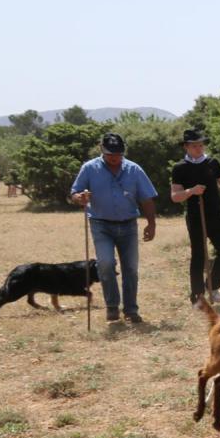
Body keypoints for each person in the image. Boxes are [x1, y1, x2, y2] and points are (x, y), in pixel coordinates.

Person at [70, 132, 159, 323]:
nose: (115, 158)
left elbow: (147, 198)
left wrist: (151, 223)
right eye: (111, 154)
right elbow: (75, 193)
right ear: (102, 150)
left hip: (128, 225)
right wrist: (80, 198)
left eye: (118, 154)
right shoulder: (89, 168)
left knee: (131, 269)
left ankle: (131, 310)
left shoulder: (134, 170)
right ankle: (112, 307)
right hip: (101, 224)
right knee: (106, 263)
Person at [170, 128, 220, 307]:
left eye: (201, 145)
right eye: (195, 146)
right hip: (195, 216)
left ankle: (213, 285)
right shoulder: (180, 168)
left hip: (215, 214)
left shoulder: (212, 163)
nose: (199, 148)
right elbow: (175, 196)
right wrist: (191, 191)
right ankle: (197, 296)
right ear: (186, 147)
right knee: (198, 255)